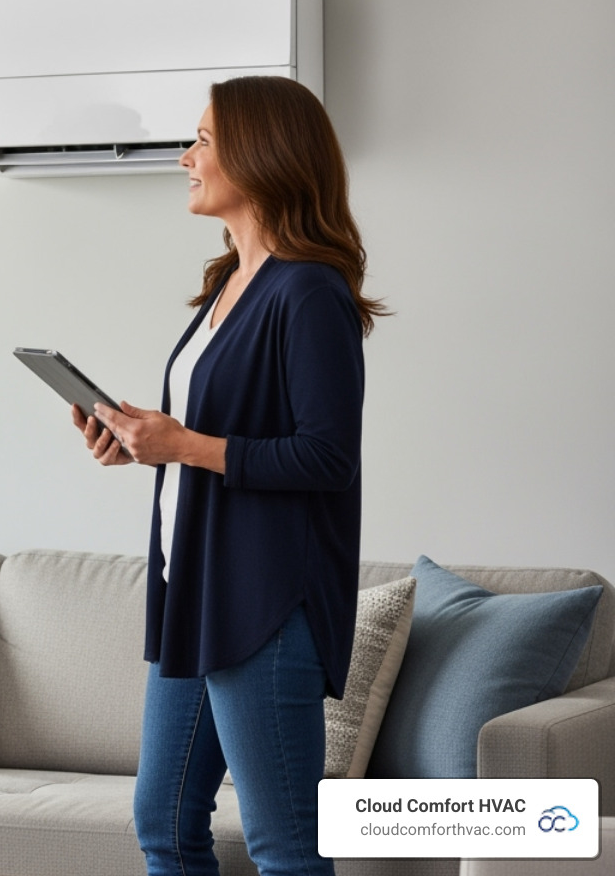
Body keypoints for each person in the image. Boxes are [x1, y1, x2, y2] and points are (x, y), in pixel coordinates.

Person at [69, 75, 385, 876]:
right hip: (195, 593)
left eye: (203, 140)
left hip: (264, 602)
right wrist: (138, 443)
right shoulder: (226, 285)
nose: (185, 157)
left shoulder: (308, 291)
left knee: (286, 846)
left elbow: (327, 457)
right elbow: (211, 437)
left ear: (260, 153)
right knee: (164, 825)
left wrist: (183, 445)